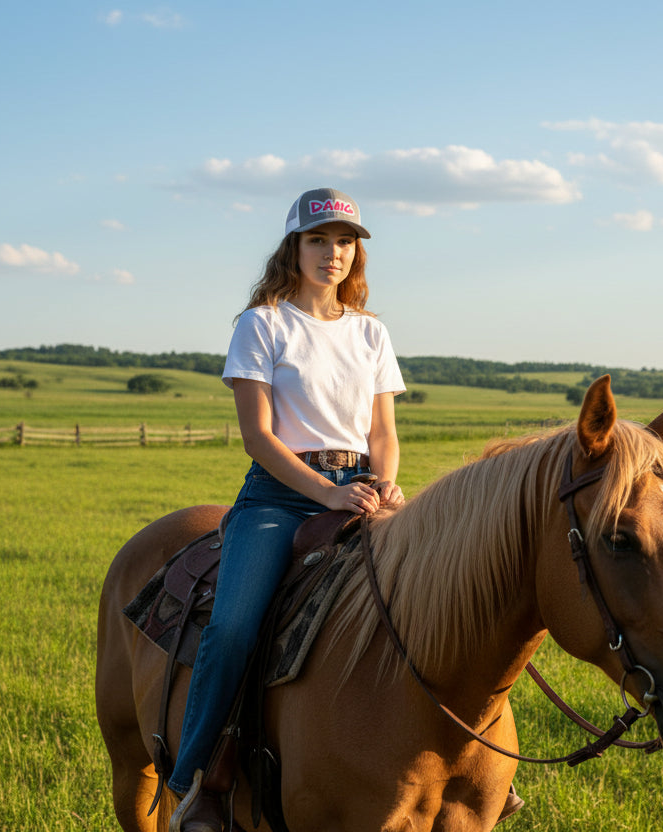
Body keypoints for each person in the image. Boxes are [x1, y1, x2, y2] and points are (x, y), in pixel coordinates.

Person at [169, 187, 406, 832]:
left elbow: (382, 433)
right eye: (319, 240)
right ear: (293, 247)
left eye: (345, 242)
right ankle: (196, 782)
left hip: (361, 488)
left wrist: (383, 486)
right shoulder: (263, 324)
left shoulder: (370, 333)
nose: (334, 253)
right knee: (236, 626)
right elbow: (259, 438)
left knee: (439, 592)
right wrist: (325, 493)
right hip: (279, 496)